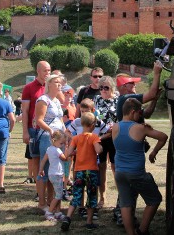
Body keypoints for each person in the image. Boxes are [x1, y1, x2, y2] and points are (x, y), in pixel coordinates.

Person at [112, 98, 167, 235]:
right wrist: (154, 152)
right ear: (132, 112)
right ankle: (142, 230)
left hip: (119, 172)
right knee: (154, 199)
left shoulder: (115, 127)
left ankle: (131, 233)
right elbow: (164, 137)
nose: (140, 115)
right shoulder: (140, 128)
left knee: (125, 204)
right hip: (136, 173)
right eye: (139, 113)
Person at [61, 112, 102, 232]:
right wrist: (101, 147)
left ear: (82, 123)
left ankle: (68, 217)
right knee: (92, 195)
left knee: (77, 195)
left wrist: (75, 152)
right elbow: (98, 150)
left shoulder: (76, 138)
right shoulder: (94, 137)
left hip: (79, 171)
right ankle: (89, 222)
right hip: (92, 171)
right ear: (93, 125)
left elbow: (68, 153)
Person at [34, 73, 66, 212]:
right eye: (57, 82)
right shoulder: (43, 99)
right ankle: (42, 202)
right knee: (45, 169)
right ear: (49, 84)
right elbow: (39, 120)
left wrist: (65, 133)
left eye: (61, 83)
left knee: (55, 170)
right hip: (47, 137)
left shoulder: (57, 101)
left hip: (59, 138)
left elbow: (60, 120)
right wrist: (50, 130)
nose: (60, 85)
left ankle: (51, 201)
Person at [21, 61, 51, 195]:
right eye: (45, 71)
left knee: (49, 160)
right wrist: (25, 131)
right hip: (34, 129)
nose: (47, 73)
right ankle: (39, 192)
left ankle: (47, 191)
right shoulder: (29, 88)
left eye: (49, 71)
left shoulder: (50, 87)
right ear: (38, 71)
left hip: (49, 130)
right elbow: (25, 111)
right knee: (36, 160)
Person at [93, 76, 118, 208]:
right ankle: (102, 198)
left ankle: (121, 198)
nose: (103, 90)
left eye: (106, 88)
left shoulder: (118, 99)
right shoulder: (97, 99)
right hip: (100, 138)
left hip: (114, 138)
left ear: (112, 88)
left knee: (115, 167)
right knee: (101, 167)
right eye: (101, 88)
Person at [39, 130, 69, 221]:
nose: (63, 145)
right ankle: (50, 212)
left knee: (57, 193)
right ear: (54, 140)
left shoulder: (49, 149)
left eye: (64, 143)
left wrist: (41, 170)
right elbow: (65, 158)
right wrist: (68, 149)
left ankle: (58, 212)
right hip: (57, 175)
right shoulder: (57, 150)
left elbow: (43, 160)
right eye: (61, 143)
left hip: (51, 174)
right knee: (58, 195)